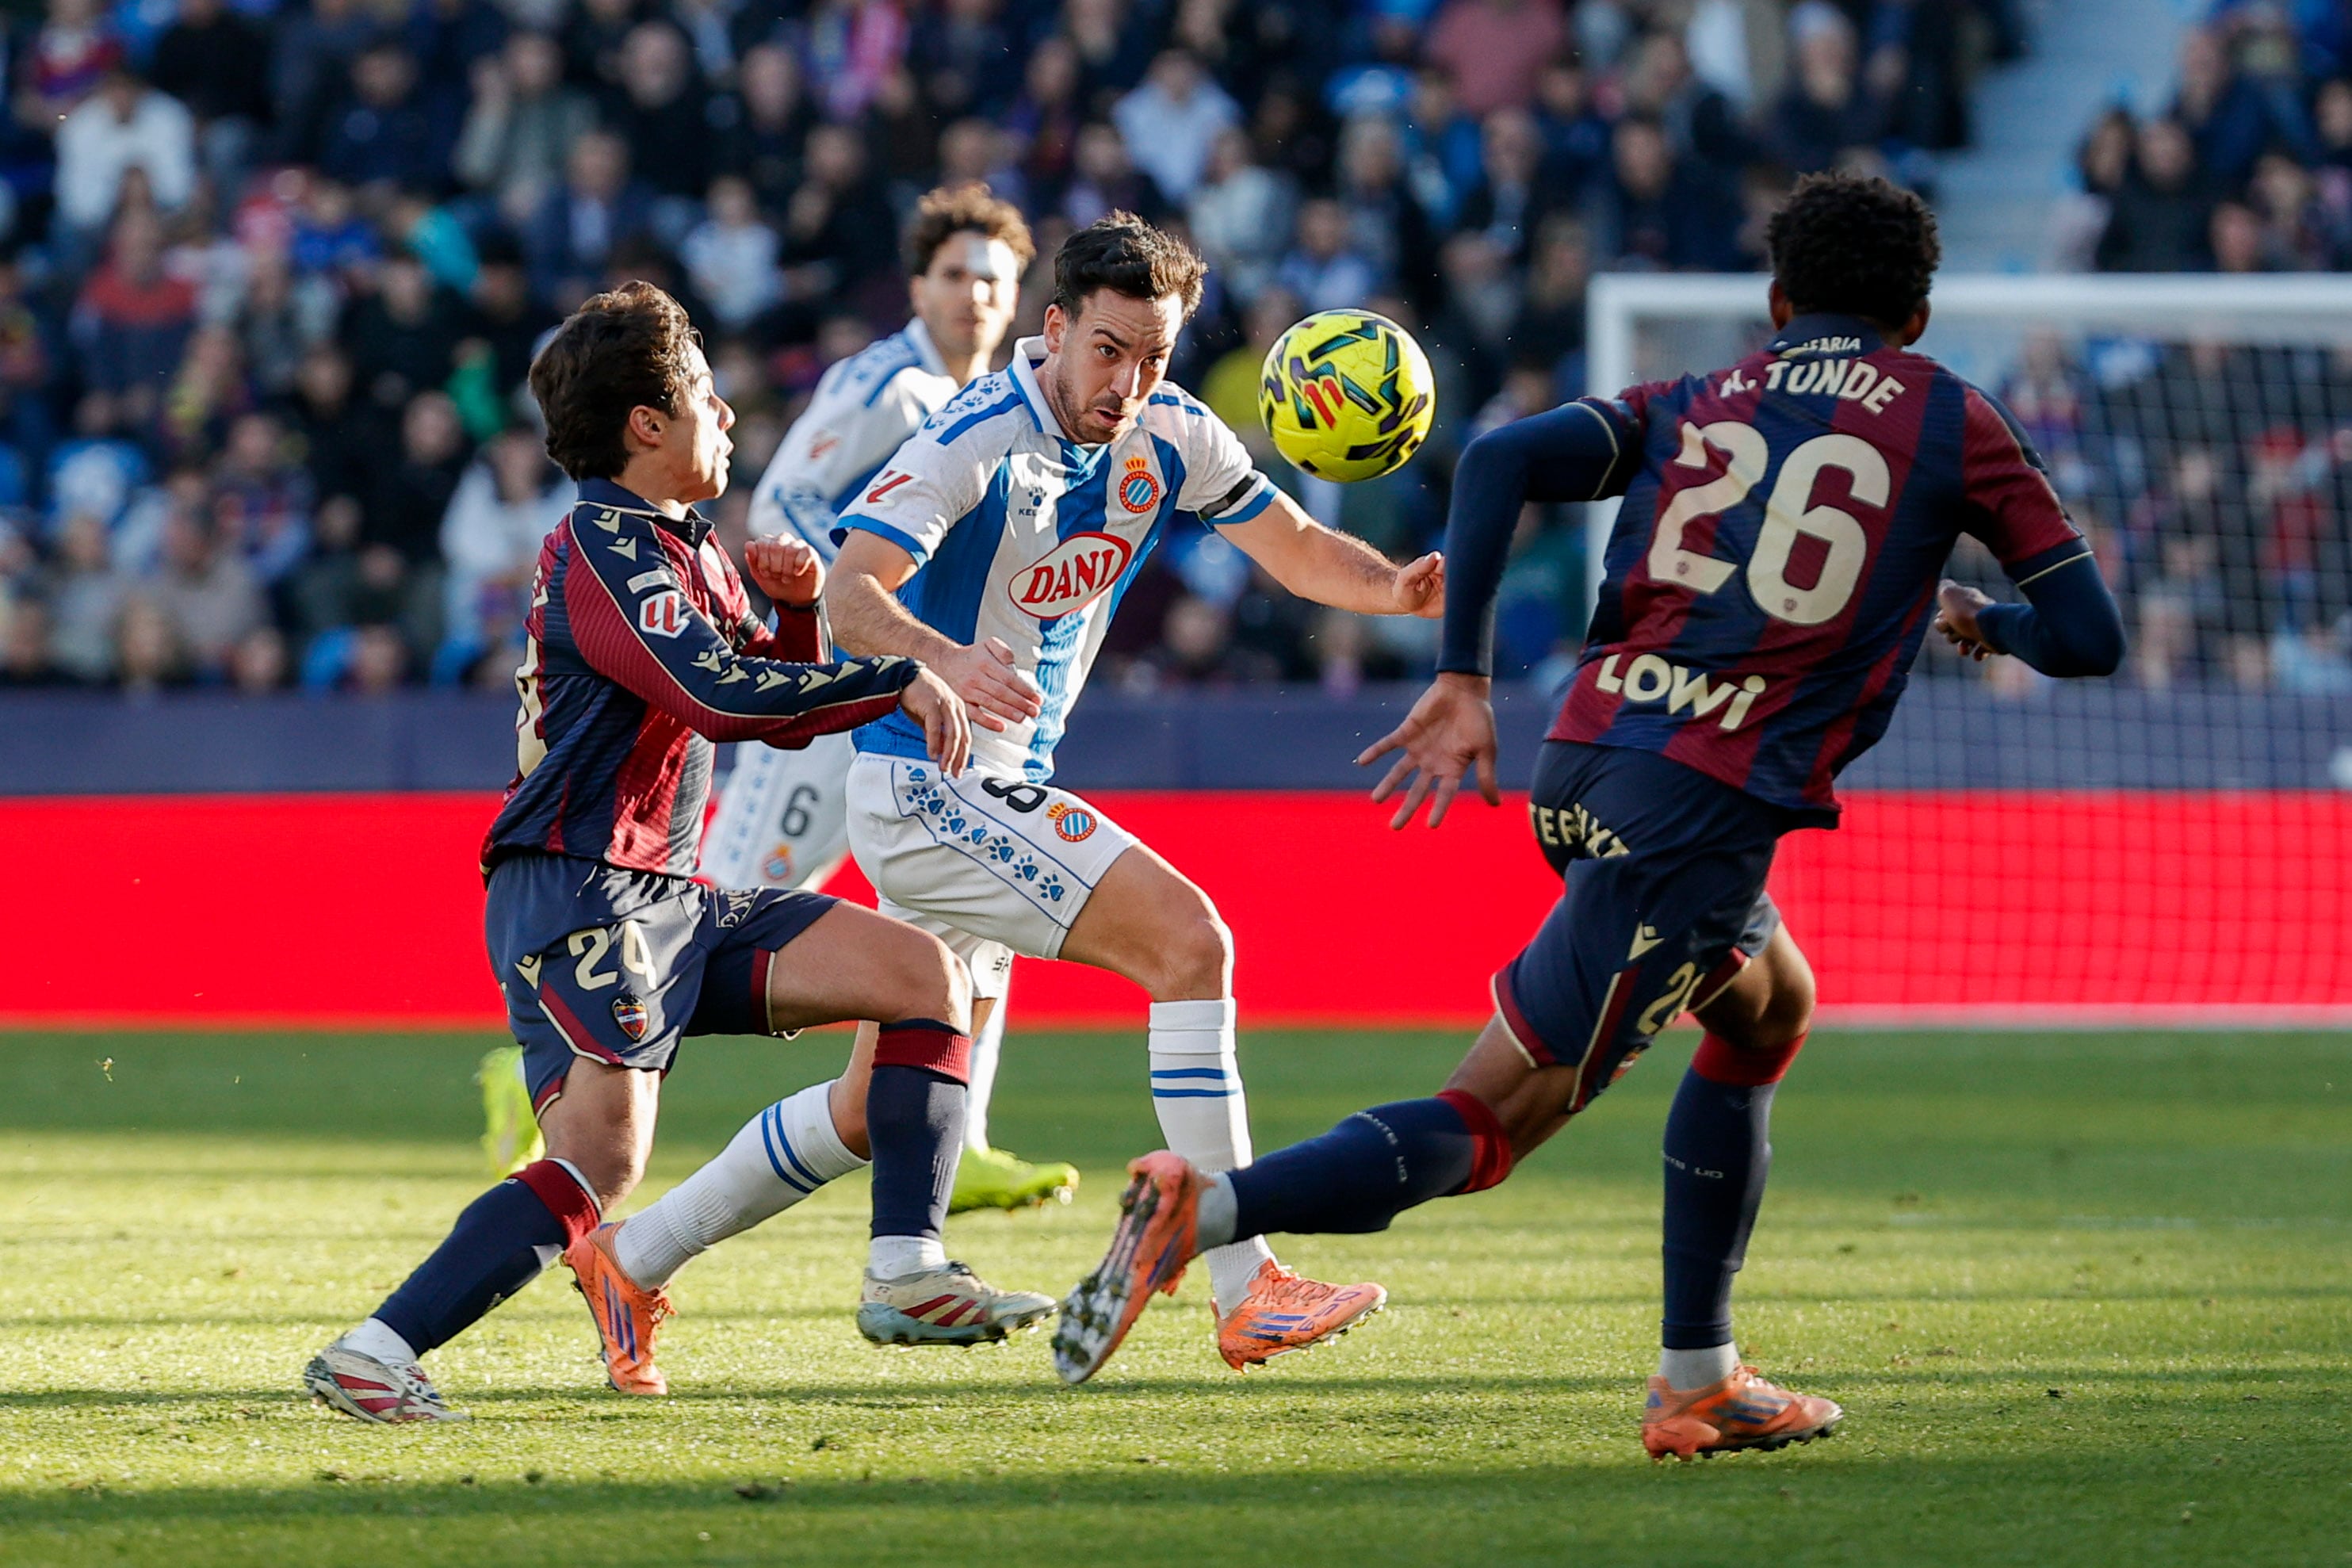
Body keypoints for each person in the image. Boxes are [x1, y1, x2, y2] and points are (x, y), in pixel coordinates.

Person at [1050, 174, 2128, 1455]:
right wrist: (1980, 615)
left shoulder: (1704, 398)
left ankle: (1701, 1372)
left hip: (1588, 755)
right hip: (1697, 813)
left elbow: (1504, 456)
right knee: (1489, 1125)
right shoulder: (1953, 417)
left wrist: (1463, 677)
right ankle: (1209, 1210)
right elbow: (2087, 636)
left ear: (1780, 302)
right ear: (1921, 313)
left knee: (1769, 1006)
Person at [302, 281, 1046, 1425]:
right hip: (577, 885)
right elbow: (718, 693)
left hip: (667, 891)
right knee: (601, 1166)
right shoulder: (603, 550)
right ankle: (375, 1348)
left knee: (921, 977)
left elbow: (776, 691)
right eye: (706, 392)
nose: (731, 413)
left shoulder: (681, 549)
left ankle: (906, 1266)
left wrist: (798, 620)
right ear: (647, 424)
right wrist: (893, 670)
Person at [824, 212, 1446, 1372]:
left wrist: (1401, 592)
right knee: (1190, 940)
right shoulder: (974, 436)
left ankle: (641, 1254)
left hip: (992, 779)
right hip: (929, 776)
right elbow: (846, 597)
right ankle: (1243, 1278)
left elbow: (1301, 545)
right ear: (1054, 328)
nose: (1131, 382)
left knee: (871, 1103)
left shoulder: (1172, 430)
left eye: (1155, 355)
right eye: (1109, 350)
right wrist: (940, 658)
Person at [695, 185, 1080, 1223]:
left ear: (1018, 301)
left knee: (980, 900)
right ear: (919, 285)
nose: (972, 296)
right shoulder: (885, 383)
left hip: (933, 694)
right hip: (839, 684)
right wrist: (873, 606)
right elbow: (784, 499)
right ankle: (545, 1058)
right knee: (729, 910)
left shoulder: (1013, 403)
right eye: (954, 275)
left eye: (991, 280)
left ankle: (973, 1135)